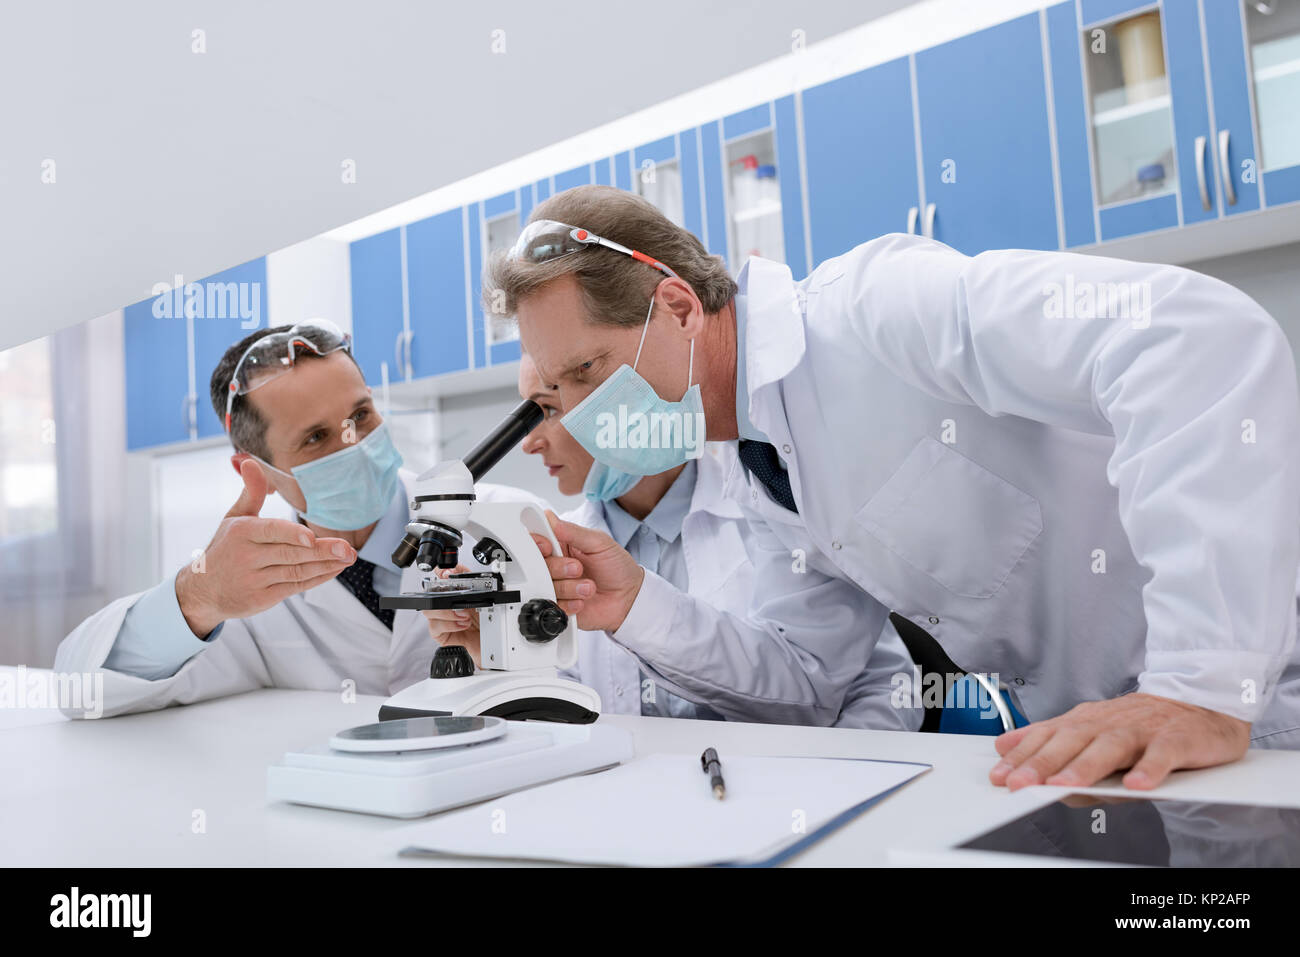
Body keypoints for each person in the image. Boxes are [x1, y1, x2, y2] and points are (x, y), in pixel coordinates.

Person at [486, 184, 1300, 790]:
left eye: (587, 371)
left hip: (1258, 699)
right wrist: (635, 602)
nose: (581, 416)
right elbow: (808, 678)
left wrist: (1201, 682)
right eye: (560, 390)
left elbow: (1197, 339)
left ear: (677, 305)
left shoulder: (878, 311)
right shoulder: (755, 466)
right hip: (1120, 747)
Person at [54, 322, 536, 717]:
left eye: (361, 415)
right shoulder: (244, 595)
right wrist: (198, 597)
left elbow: (595, 688)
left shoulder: (503, 521)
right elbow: (81, 690)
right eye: (316, 438)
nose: (354, 444)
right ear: (254, 470)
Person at [420, 354, 921, 728]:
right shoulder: (551, 550)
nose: (528, 441)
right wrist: (498, 656)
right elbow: (569, 703)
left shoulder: (770, 505)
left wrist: (814, 789)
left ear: (621, 403)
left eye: (547, 411)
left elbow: (884, 684)